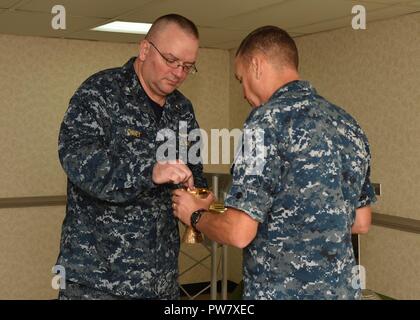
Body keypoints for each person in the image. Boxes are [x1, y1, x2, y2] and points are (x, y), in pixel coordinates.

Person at [172, 26, 376, 300]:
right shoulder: (348, 124)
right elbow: (360, 221)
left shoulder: (265, 123)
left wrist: (195, 216)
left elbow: (240, 232)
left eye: (241, 79)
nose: (243, 92)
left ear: (257, 65)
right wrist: (216, 208)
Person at [56, 14, 210, 299]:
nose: (178, 72)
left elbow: (194, 169)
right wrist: (149, 171)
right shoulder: (100, 92)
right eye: (171, 60)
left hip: (160, 281)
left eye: (187, 66)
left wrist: (198, 195)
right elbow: (77, 159)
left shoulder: (182, 109)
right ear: (145, 50)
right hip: (98, 281)